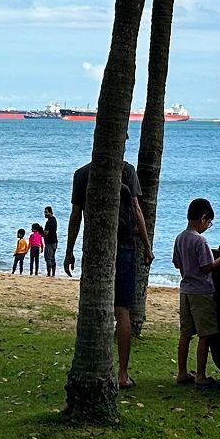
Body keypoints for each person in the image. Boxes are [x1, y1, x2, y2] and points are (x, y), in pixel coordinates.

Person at [64, 156, 152, 390]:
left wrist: (69, 250)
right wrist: (147, 247)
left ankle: (95, 367)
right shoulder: (127, 170)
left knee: (95, 307)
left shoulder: (82, 174)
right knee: (123, 311)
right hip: (125, 247)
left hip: (95, 249)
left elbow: (76, 216)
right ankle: (123, 374)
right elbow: (136, 210)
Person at [172, 197, 219, 385]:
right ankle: (200, 375)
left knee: (185, 334)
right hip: (202, 292)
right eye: (209, 222)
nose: (208, 226)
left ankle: (182, 373)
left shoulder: (180, 238)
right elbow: (208, 266)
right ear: (203, 218)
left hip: (186, 290)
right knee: (205, 334)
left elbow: (178, 263)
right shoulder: (200, 240)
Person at [42, 206, 59, 276]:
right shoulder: (54, 219)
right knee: (52, 258)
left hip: (50, 242)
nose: (45, 214)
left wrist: (41, 232)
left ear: (50, 212)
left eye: (46, 212)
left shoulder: (49, 222)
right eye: (44, 212)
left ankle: (49, 273)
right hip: (54, 241)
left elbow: (45, 233)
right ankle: (53, 274)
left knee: (48, 258)